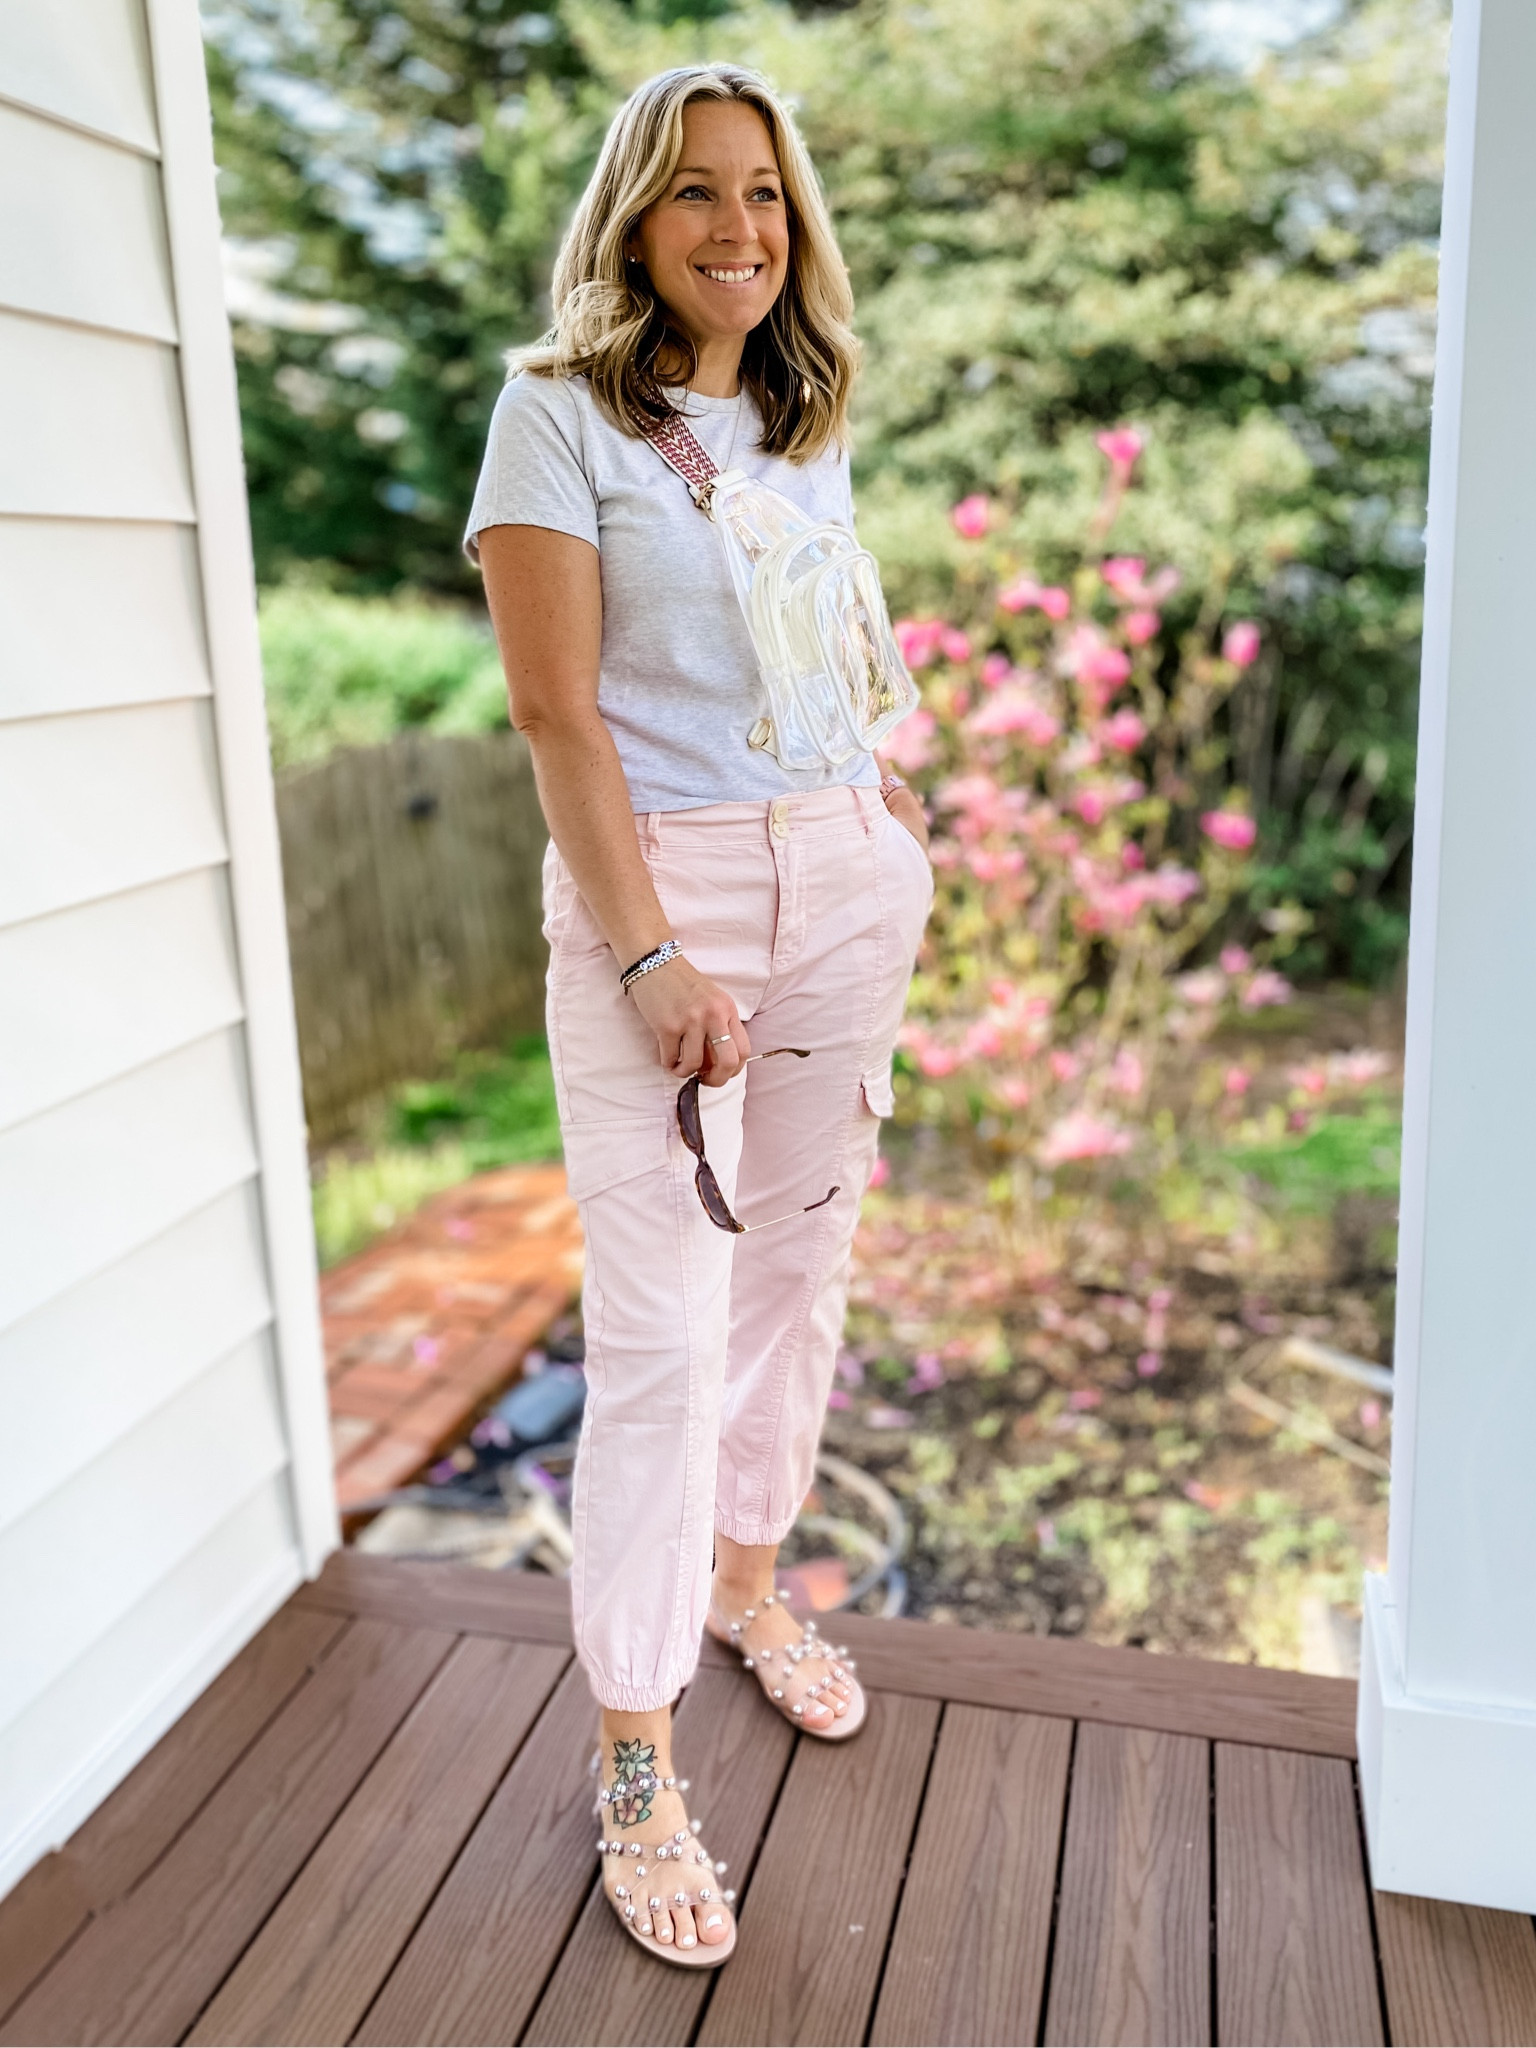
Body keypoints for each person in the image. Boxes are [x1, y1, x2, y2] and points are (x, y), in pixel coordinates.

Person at [467, 61, 932, 1969]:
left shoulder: (802, 418)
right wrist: (652, 953)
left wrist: (877, 813)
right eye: (697, 191)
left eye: (766, 192)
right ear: (634, 217)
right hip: (665, 903)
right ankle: (637, 1751)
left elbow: (821, 654)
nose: (740, 226)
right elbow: (556, 714)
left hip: (844, 879)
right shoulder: (553, 416)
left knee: (797, 1279)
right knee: (661, 1332)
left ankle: (747, 1581)